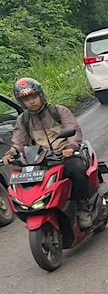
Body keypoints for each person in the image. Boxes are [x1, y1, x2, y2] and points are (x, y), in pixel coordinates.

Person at [1, 77, 94, 227]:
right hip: (41, 161)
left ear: (40, 95)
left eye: (33, 96)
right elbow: (18, 140)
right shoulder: (23, 120)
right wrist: (10, 154)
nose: (31, 101)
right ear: (21, 102)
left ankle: (83, 208)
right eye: (26, 99)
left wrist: (70, 147)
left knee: (76, 171)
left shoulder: (58, 111)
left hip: (64, 156)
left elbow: (74, 131)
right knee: (25, 182)